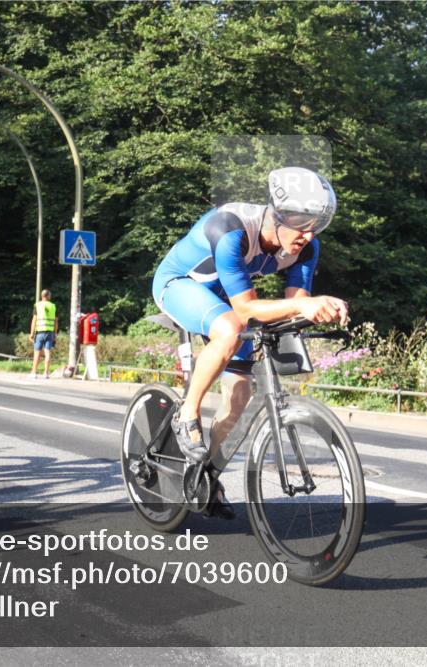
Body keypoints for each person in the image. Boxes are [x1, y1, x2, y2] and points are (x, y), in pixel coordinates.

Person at [152, 167, 349, 518]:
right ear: (278, 213)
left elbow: (292, 308)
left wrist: (321, 309)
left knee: (240, 394)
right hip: (180, 284)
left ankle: (204, 476)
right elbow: (244, 308)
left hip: (225, 299)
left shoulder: (306, 247)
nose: (308, 233)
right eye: (301, 221)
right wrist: (304, 303)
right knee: (229, 328)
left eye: (316, 224)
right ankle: (187, 414)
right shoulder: (231, 228)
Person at [28, 289, 59, 379]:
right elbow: (56, 322)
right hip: (49, 332)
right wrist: (55, 334)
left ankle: (34, 373)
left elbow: (34, 320)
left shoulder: (37, 305)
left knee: (37, 353)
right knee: (47, 352)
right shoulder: (53, 306)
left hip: (39, 332)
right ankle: (46, 373)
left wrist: (31, 333)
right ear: (48, 296)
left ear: (42, 296)